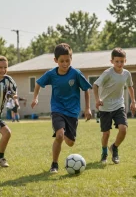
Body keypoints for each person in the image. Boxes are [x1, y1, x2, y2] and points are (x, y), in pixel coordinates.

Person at [31, 43, 92, 173]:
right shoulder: (51, 74)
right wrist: (35, 97)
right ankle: (54, 164)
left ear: (71, 59)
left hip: (73, 111)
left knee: (70, 143)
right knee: (59, 136)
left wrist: (88, 108)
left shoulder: (76, 73)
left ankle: (65, 134)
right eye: (62, 61)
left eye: (67, 61)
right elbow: (38, 84)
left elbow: (86, 89)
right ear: (55, 60)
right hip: (57, 109)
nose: (65, 64)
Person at [93, 47, 136, 164]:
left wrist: (133, 101)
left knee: (123, 129)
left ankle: (115, 147)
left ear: (125, 61)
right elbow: (95, 85)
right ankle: (104, 152)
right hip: (105, 107)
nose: (119, 63)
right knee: (106, 133)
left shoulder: (127, 74)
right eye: (117, 61)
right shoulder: (107, 73)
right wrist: (97, 100)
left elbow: (130, 87)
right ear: (112, 61)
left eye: (122, 61)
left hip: (119, 105)